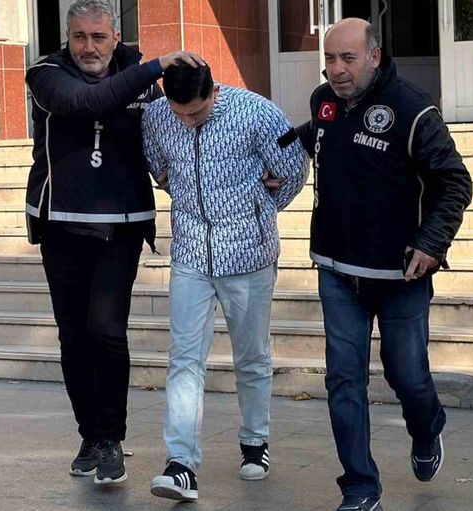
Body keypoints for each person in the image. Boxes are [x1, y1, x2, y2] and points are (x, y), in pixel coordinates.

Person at [294, 18, 473, 511]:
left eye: (347, 59)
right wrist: (275, 157)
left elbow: (454, 182)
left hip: (401, 275)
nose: (336, 70)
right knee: (343, 380)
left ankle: (426, 428)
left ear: (374, 57)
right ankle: (359, 487)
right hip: (336, 268)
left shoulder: (414, 110)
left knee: (407, 376)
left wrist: (431, 243)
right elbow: (320, 134)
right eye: (330, 59)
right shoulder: (323, 101)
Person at [24, 0, 202, 486]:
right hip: (61, 223)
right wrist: (154, 67)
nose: (89, 47)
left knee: (106, 331)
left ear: (115, 37)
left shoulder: (140, 74)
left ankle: (109, 439)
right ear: (68, 38)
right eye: (79, 37)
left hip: (121, 225)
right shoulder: (46, 73)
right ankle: (89, 433)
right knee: (73, 337)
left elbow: (180, 120)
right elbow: (86, 103)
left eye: (99, 37)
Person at [140, 62, 308, 502]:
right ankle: (180, 464)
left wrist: (260, 208)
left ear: (214, 91)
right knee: (184, 359)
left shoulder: (257, 112)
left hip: (249, 254)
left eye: (196, 113)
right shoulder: (157, 116)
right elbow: (159, 168)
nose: (187, 122)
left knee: (251, 356)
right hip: (191, 254)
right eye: (180, 114)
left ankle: (255, 442)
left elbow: (293, 170)